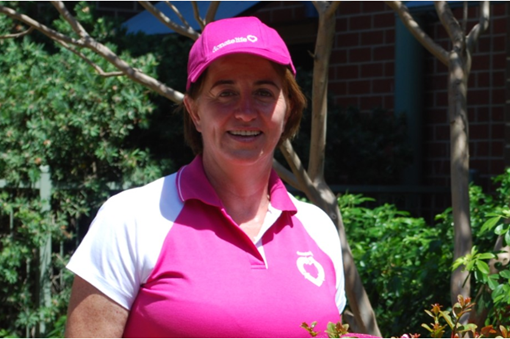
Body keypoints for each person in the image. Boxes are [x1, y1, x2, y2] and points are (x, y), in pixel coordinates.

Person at [64, 16, 345, 337]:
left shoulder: (318, 229)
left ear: (289, 109)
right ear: (195, 111)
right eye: (225, 93)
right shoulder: (131, 219)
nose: (246, 111)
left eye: (264, 92)